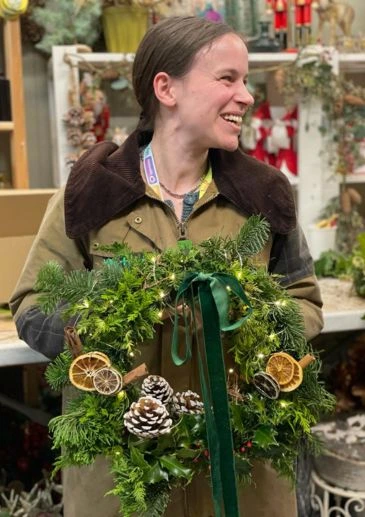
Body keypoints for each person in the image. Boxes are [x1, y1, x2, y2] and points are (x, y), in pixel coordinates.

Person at [10, 16, 323, 517]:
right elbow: (31, 305)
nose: (246, 96)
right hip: (125, 480)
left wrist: (253, 316)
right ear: (166, 88)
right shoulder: (91, 192)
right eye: (227, 79)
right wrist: (107, 321)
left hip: (239, 475)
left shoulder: (263, 194)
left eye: (245, 81)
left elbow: (304, 299)